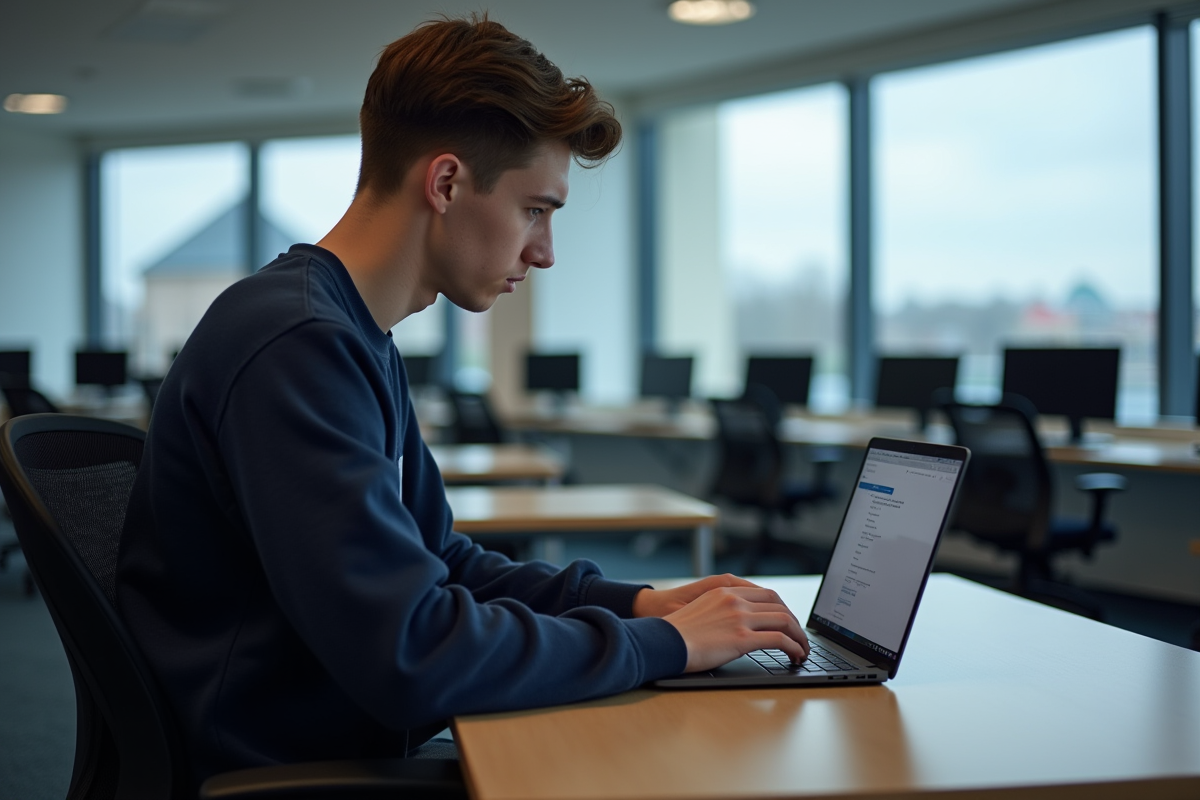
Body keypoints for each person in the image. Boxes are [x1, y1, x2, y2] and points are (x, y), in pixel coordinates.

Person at [117, 13, 809, 787]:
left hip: (346, 741)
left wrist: (643, 603)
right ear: (446, 183)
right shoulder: (298, 344)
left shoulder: (347, 330)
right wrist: (671, 648)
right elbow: (414, 655)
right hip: (294, 771)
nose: (544, 252)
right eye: (535, 210)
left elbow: (442, 564)